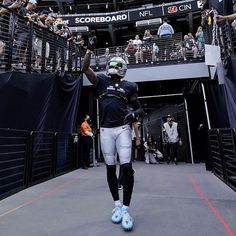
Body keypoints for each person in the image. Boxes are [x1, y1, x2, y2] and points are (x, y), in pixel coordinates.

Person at [82, 48, 143, 231]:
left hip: (122, 129)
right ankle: (116, 204)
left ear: (123, 68)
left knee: (126, 168)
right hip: (106, 130)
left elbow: (139, 109)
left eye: (117, 65)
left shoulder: (130, 86)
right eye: (112, 64)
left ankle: (126, 208)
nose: (114, 67)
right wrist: (88, 52)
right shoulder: (101, 80)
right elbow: (85, 68)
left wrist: (133, 114)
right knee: (110, 168)